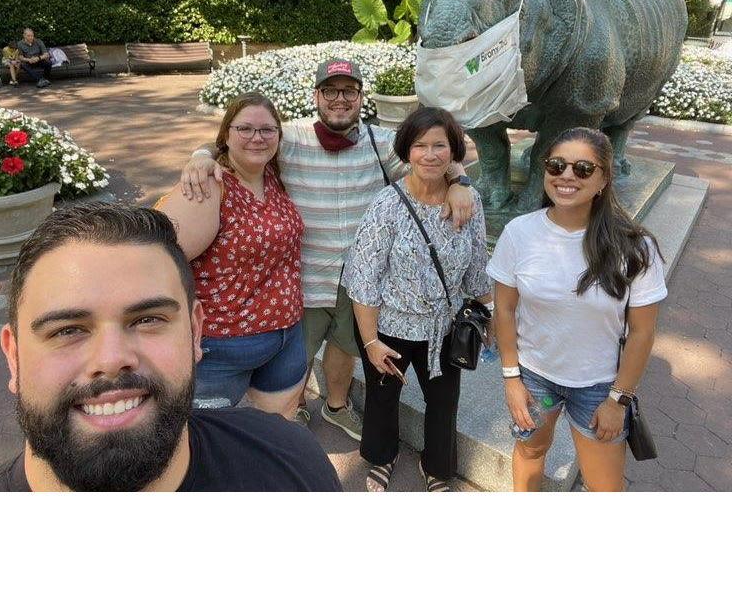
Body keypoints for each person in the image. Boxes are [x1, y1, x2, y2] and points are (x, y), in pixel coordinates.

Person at [0, 203, 341, 492]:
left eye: (148, 320)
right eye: (67, 330)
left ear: (195, 333)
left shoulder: (291, 462)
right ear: (13, 356)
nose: (112, 359)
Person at [180, 59, 475, 442]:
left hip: (359, 280)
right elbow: (237, 139)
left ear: (360, 97)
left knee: (344, 346)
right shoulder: (289, 136)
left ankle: (336, 407)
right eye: (331, 91)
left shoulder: (381, 141)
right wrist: (201, 157)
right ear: (316, 95)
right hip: (302, 273)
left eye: (349, 91)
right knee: (297, 354)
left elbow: (443, 152)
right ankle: (291, 405)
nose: (340, 99)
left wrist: (459, 181)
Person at [488, 127, 667, 492]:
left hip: (600, 385)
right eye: (557, 165)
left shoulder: (635, 246)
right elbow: (504, 310)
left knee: (605, 487)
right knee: (530, 451)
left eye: (583, 169)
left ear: (603, 179)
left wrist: (618, 400)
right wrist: (511, 380)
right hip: (534, 375)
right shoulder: (519, 232)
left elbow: (643, 332)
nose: (567, 176)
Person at [341, 107, 492, 492]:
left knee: (444, 403)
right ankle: (381, 456)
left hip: (442, 327)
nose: (429, 154)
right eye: (420, 145)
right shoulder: (386, 205)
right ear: (406, 151)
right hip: (388, 326)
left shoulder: (467, 202)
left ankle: (436, 465)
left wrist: (490, 315)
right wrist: (372, 343)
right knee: (382, 397)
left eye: (439, 145)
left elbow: (477, 267)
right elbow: (364, 279)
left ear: (453, 151)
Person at [157, 92, 306, 420]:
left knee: (276, 435)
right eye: (246, 129)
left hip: (286, 336)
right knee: (203, 443)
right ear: (226, 135)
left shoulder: (273, 177)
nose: (257, 138)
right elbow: (156, 260)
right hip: (222, 347)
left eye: (267, 130)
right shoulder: (210, 184)